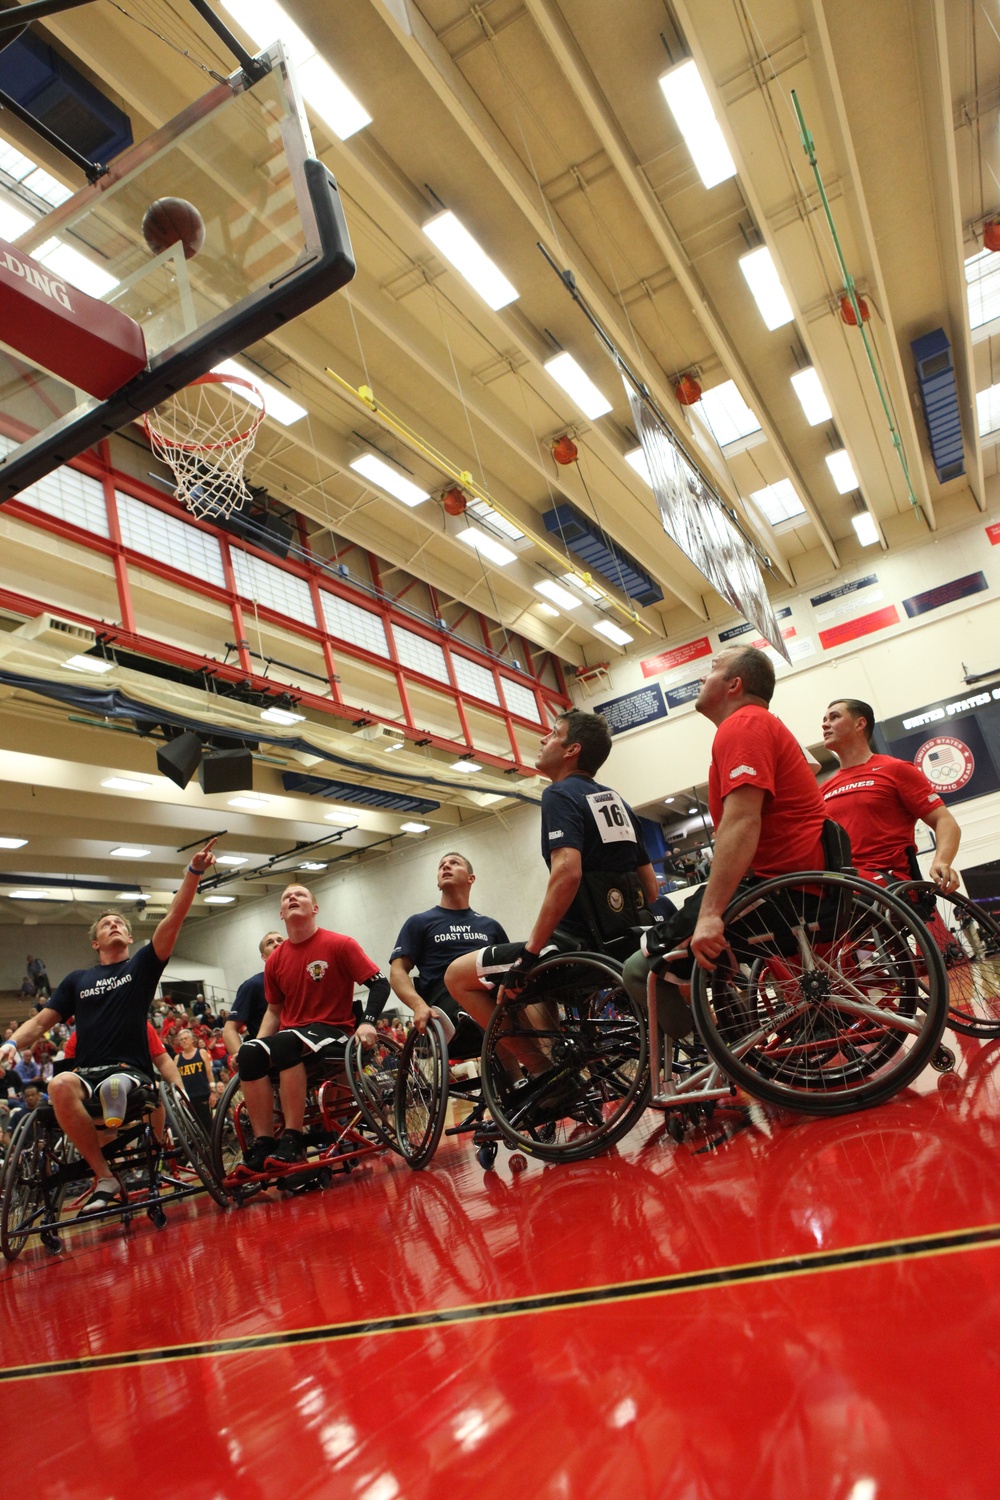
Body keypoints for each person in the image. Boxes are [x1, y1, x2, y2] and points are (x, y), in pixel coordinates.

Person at [0, 838, 217, 1216]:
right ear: (95, 941)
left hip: (129, 1071)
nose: (115, 925)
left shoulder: (142, 966)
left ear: (130, 937)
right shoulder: (76, 979)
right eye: (106, 924)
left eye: (120, 923)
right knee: (57, 1084)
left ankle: (112, 1122)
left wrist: (193, 873)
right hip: (87, 1074)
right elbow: (39, 1023)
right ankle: (105, 1176)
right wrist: (14, 1046)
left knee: (116, 1086)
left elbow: (173, 918)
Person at [623, 646, 828, 1032]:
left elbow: (742, 823)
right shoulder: (754, 725)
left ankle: (707, 1060)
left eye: (712, 669)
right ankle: (729, 1040)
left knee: (638, 969)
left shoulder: (744, 724)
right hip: (790, 884)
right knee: (687, 954)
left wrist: (711, 914)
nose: (702, 678)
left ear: (734, 684)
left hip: (781, 889)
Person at [445, 709, 657, 1069]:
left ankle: (545, 1075)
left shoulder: (559, 794)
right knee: (531, 988)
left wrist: (530, 953)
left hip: (579, 950)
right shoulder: (615, 800)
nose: (543, 740)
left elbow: (567, 873)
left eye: (552, 733)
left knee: (457, 976)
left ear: (572, 749)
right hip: (623, 944)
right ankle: (562, 1058)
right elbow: (649, 884)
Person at [233, 884, 390, 1173]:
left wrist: (367, 1022)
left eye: (300, 894)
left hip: (334, 1031)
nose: (292, 897)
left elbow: (379, 983)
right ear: (281, 913)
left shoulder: (341, 944)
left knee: (284, 1042)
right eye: (286, 897)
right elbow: (274, 1011)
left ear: (315, 908)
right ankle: (265, 1143)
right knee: (250, 1053)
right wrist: (253, 1045)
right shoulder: (275, 962)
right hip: (293, 1038)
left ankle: (292, 1139)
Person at [820, 697, 961, 889]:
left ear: (860, 723)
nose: (825, 725)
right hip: (843, 883)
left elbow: (945, 821)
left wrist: (941, 861)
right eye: (824, 720)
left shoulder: (895, 770)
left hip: (887, 885)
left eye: (834, 717)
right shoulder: (824, 789)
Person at [390, 851, 508, 1054]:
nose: (446, 866)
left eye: (454, 863)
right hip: (447, 1000)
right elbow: (397, 971)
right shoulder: (420, 922)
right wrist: (418, 1005)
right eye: (441, 865)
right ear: (438, 883)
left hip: (490, 993)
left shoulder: (490, 926)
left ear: (471, 878)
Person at [222, 931, 284, 1060]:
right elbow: (229, 1030)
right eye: (270, 943)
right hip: (271, 1058)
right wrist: (245, 1061)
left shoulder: (301, 977)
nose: (276, 944)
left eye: (280, 940)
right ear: (264, 957)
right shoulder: (253, 985)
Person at [172, 1028, 216, 1134]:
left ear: (192, 1040)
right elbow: (177, 1080)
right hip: (188, 1099)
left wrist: (213, 1092)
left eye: (186, 1038)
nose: (184, 1041)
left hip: (204, 1095)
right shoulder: (177, 1059)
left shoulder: (201, 1053)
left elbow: (209, 1074)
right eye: (181, 1039)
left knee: (208, 1125)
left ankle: (212, 1148)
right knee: (193, 1128)